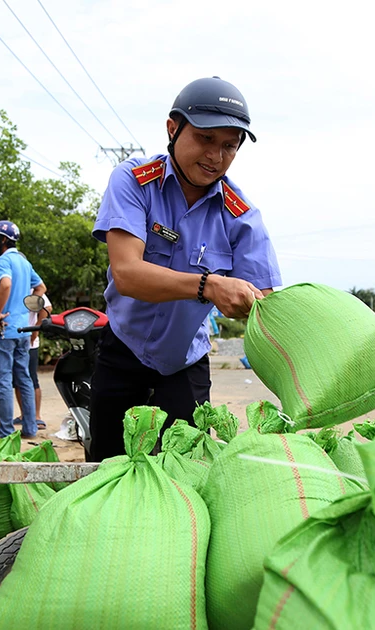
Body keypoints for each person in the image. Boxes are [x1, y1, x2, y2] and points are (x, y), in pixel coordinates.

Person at [88, 76, 282, 461]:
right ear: (173, 129)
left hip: (184, 362)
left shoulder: (241, 215)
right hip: (123, 348)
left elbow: (269, 303)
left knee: (188, 470)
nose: (216, 156)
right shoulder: (133, 181)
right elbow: (126, 273)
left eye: (230, 146)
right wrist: (209, 286)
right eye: (206, 139)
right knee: (105, 467)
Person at [0, 221, 46, 441]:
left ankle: (5, 431)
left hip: (4, 330)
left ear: (2, 239)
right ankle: (30, 429)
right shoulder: (23, 261)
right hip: (22, 330)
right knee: (25, 379)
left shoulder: (4, 260)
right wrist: (26, 309)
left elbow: (5, 285)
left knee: (2, 381)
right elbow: (41, 288)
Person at [15, 293, 51, 431]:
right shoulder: (15, 287)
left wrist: (36, 328)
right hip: (15, 338)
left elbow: (47, 307)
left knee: (31, 379)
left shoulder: (33, 288)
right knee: (18, 380)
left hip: (29, 342)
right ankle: (24, 414)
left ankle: (36, 416)